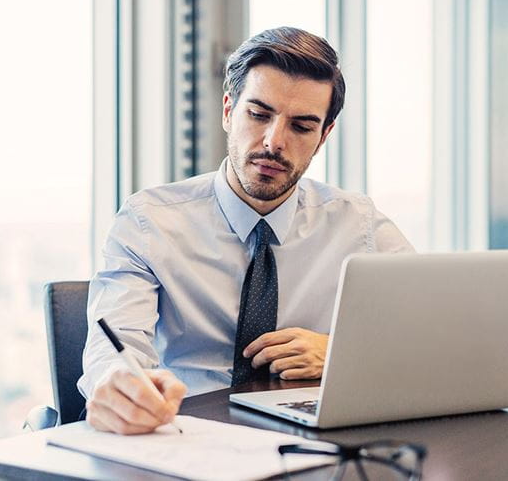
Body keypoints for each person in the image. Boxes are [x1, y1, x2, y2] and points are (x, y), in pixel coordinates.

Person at [77, 27, 413, 435]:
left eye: (301, 127)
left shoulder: (357, 223)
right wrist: (119, 385)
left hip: (310, 439)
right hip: (184, 433)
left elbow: (429, 331)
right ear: (227, 111)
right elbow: (114, 345)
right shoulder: (149, 221)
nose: (274, 142)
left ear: (323, 136)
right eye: (258, 115)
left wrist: (344, 353)